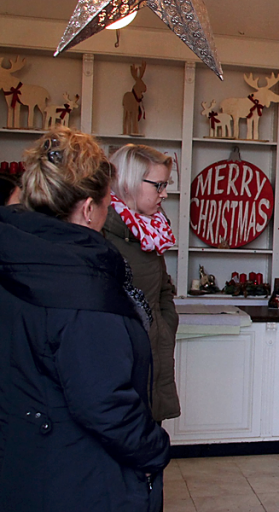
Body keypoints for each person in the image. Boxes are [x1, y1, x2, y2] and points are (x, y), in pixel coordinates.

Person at [0, 127, 170, 511]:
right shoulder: (81, 283)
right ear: (89, 209)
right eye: (108, 202)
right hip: (78, 475)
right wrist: (155, 449)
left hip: (26, 462)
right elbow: (105, 403)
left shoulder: (17, 253)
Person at [105, 144, 180, 423]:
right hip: (117, 364)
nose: (164, 193)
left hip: (153, 358)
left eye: (165, 185)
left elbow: (163, 290)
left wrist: (164, 326)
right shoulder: (101, 232)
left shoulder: (153, 230)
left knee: (150, 436)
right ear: (129, 181)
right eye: (158, 185)